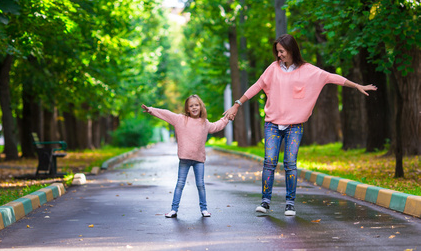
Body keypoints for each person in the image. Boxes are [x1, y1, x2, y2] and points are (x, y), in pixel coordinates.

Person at [223, 34, 377, 216]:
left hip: (294, 125)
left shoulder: (308, 70)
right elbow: (257, 86)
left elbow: (331, 77)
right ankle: (265, 202)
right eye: (277, 52)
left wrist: (357, 85)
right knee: (269, 162)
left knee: (290, 163)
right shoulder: (273, 69)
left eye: (282, 51)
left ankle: (290, 203)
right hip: (272, 123)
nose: (279, 55)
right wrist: (237, 104)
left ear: (291, 50)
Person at [142, 95, 229, 218]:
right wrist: (151, 110)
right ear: (187, 109)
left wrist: (226, 118)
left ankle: (204, 209)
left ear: (201, 107)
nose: (194, 107)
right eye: (191, 105)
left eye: (196, 105)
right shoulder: (180, 119)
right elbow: (166, 113)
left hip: (199, 160)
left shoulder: (204, 122)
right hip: (184, 159)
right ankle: (173, 209)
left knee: (200, 185)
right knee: (180, 184)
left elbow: (216, 126)